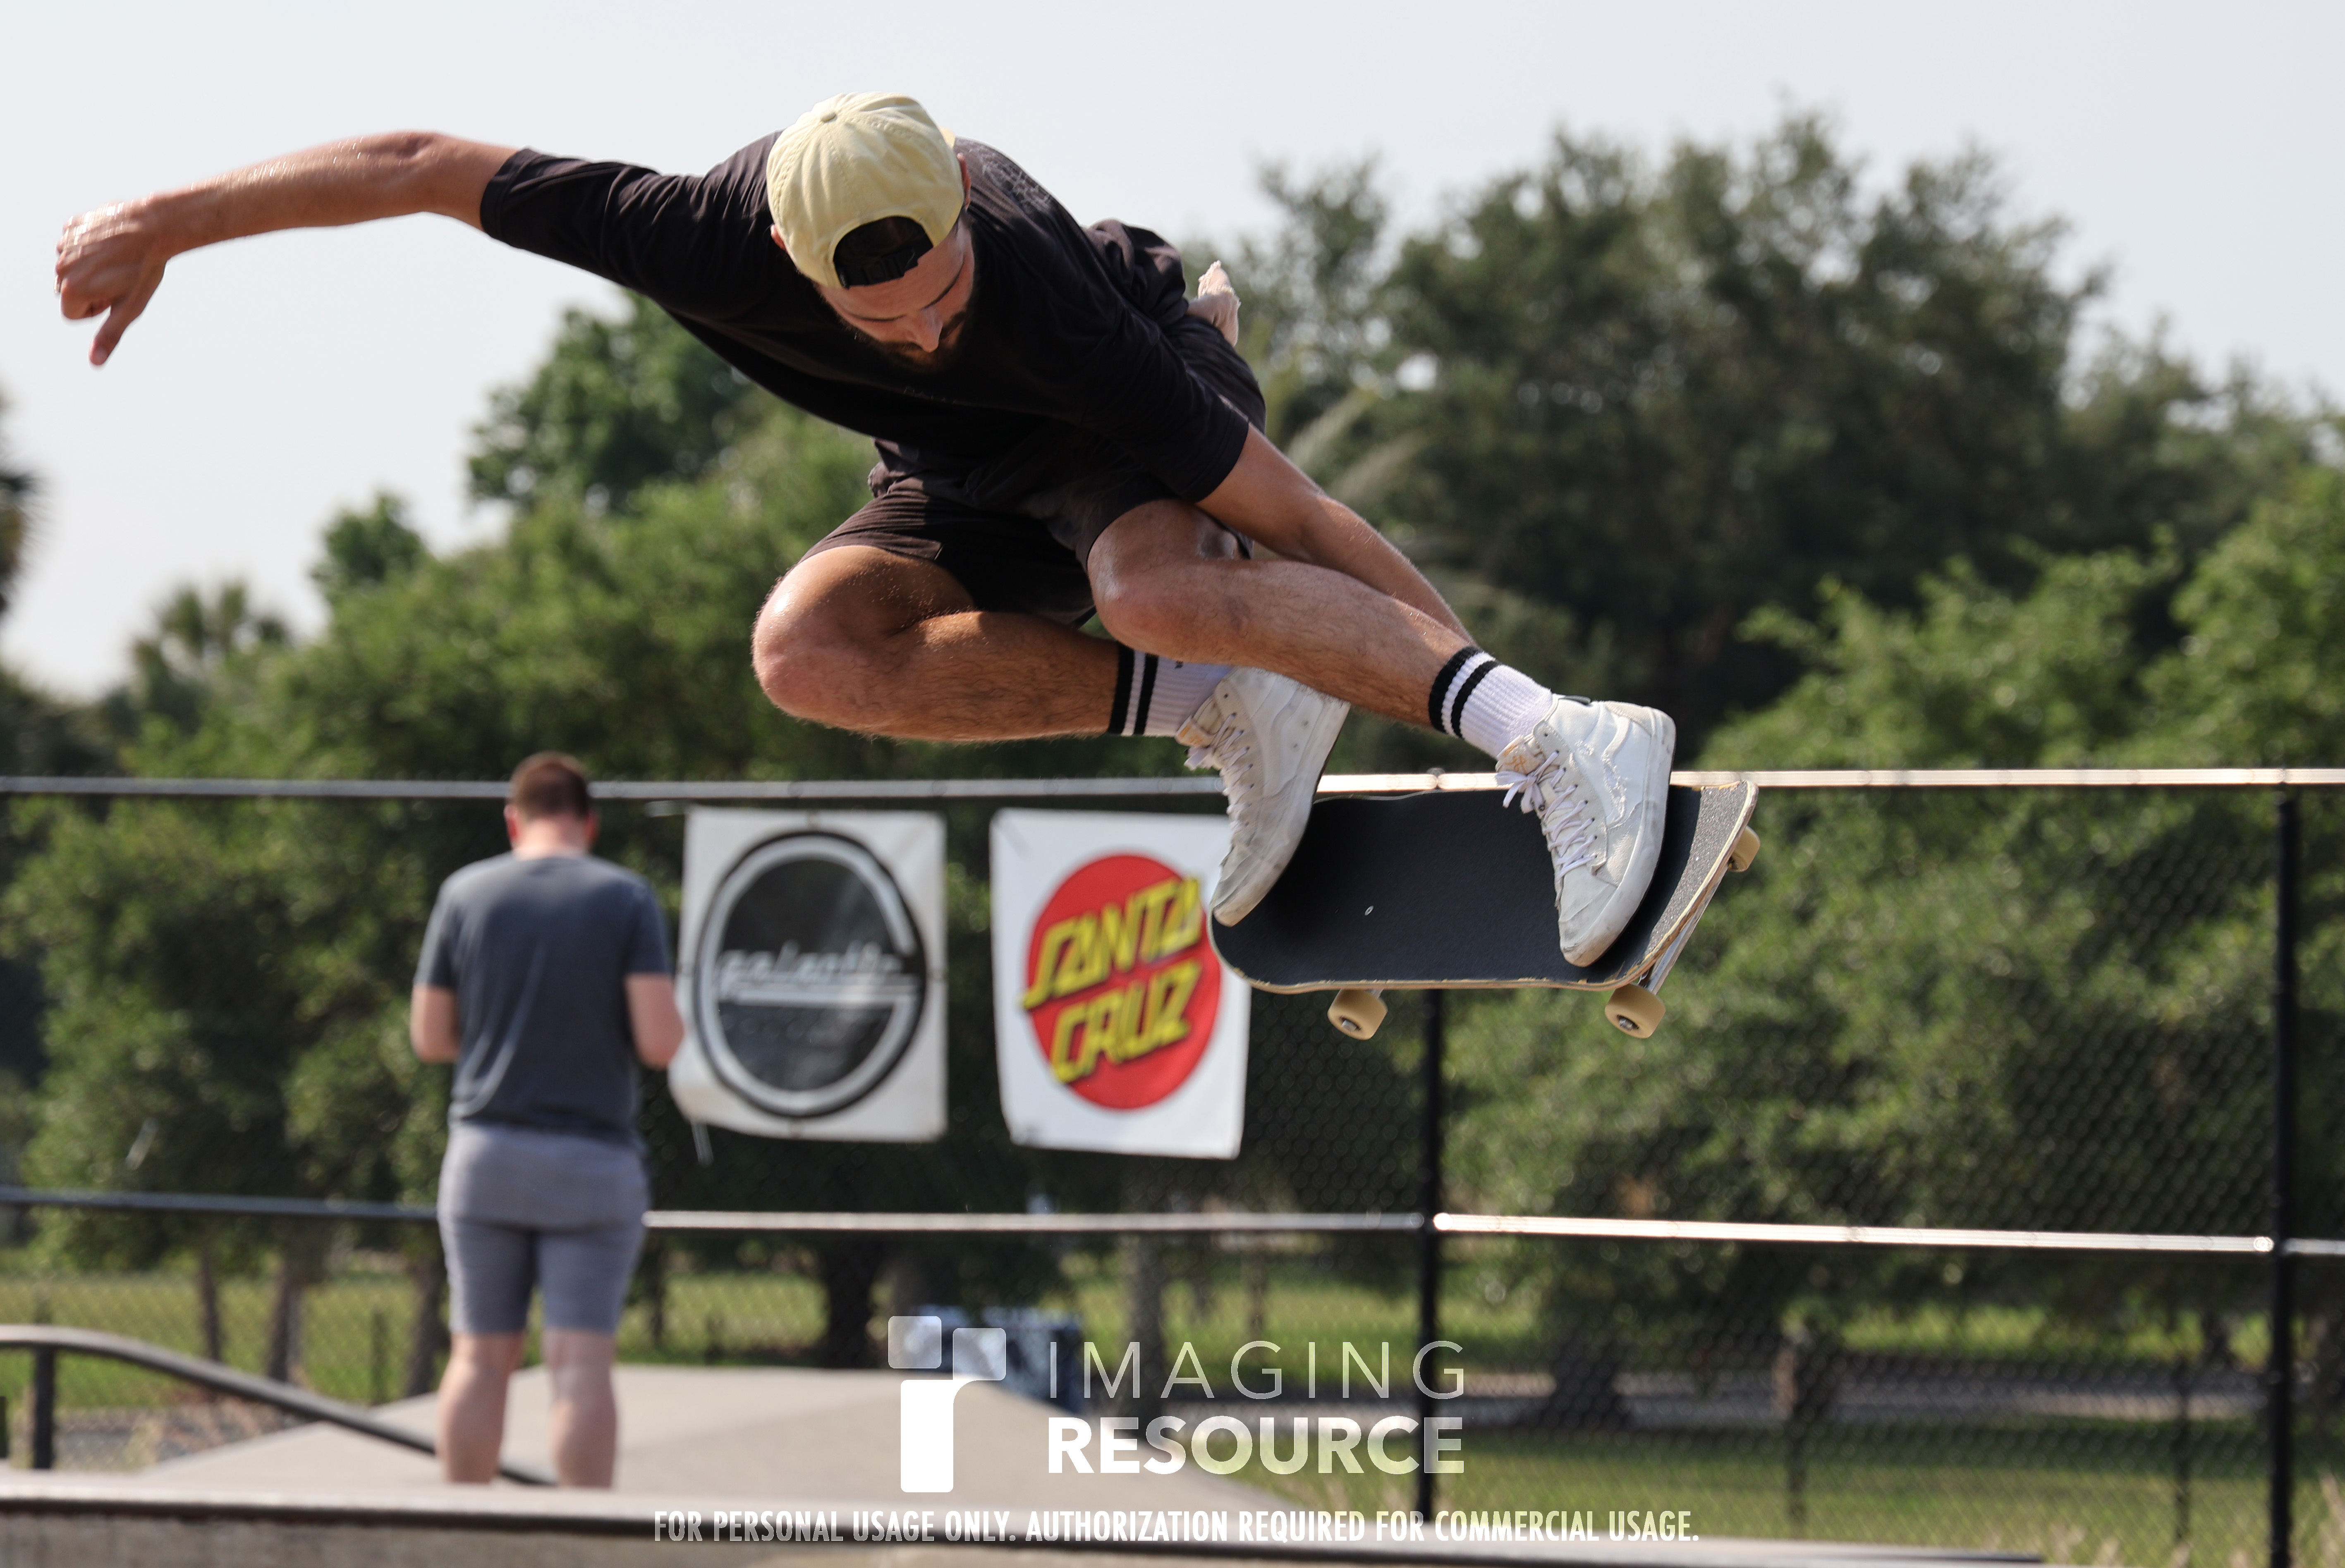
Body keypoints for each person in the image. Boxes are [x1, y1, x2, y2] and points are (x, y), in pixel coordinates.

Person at [56, 94, 1674, 963]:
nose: (924, 329)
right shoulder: (690, 234)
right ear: (790, 259)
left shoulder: (1039, 296)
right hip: (951, 476)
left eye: (945, 298)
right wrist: (167, 223)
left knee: (1152, 582)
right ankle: (1220, 708)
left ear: (965, 223)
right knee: (807, 651)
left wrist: (1504, 715)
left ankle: (1576, 744)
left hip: (1116, 408)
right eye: (883, 321)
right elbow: (418, 165)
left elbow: (1303, 513)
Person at [408, 753, 683, 1487]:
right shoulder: (625, 898)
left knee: (478, 1356)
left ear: (514, 821)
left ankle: (463, 1532)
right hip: (593, 1161)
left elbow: (430, 1037)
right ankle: (579, 1536)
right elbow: (660, 1042)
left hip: (487, 1153)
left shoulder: (464, 894)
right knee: (579, 1363)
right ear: (589, 823)